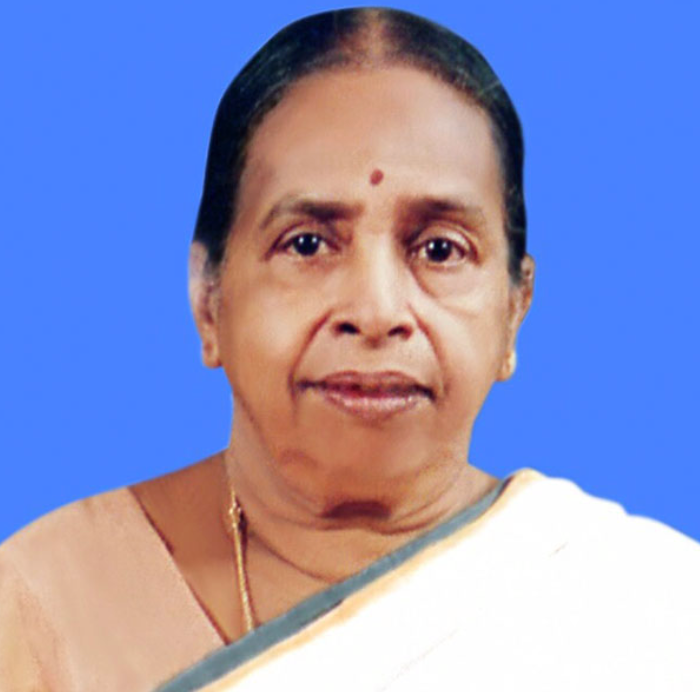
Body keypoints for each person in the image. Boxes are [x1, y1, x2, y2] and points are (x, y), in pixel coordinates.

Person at [1, 8, 699, 692]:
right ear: (208, 299)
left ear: (515, 309)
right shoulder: (44, 603)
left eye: (440, 250)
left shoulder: (654, 612)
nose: (376, 312)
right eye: (307, 244)